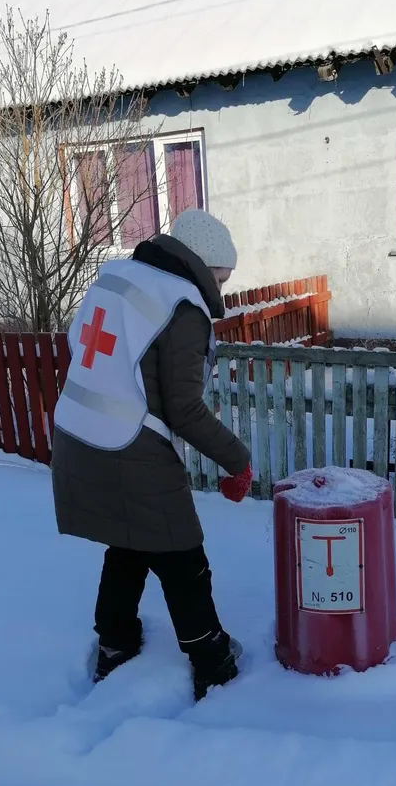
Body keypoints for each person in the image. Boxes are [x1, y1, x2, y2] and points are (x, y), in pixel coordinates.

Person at [51, 209, 253, 701]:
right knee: (182, 553)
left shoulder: (118, 278)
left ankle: (115, 644)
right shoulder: (182, 306)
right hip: (129, 443)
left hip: (78, 434)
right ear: (204, 264)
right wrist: (237, 460)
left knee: (129, 541)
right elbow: (183, 409)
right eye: (222, 275)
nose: (222, 287)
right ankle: (212, 659)